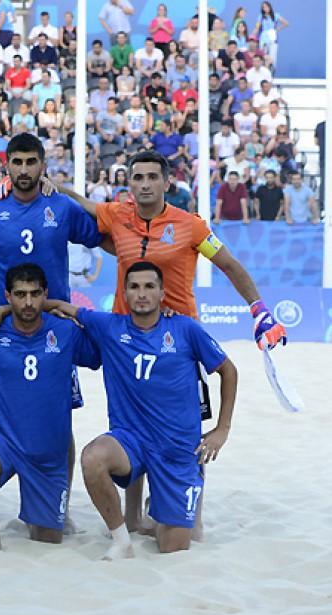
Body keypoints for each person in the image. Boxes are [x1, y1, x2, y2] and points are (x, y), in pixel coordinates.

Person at [48, 150, 286, 534]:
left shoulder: (190, 226)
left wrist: (258, 308)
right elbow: (88, 206)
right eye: (137, 178)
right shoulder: (118, 215)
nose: (144, 184)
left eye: (151, 178)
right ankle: (133, 517)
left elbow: (228, 264)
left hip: (180, 341)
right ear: (129, 184)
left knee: (187, 428)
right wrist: (55, 186)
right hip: (128, 338)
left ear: (166, 182)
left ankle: (194, 513)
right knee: (130, 422)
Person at [0, 132, 102, 527]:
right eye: (18, 163)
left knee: (59, 417)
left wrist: (64, 188)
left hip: (54, 329)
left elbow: (102, 231)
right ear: (6, 166)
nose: (25, 170)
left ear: (43, 165)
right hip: (3, 327)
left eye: (32, 163)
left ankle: (57, 502)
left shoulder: (59, 207)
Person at [47, 261, 238, 559]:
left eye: (150, 286)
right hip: (131, 441)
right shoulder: (110, 326)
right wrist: (1, 311)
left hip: (176, 449)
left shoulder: (185, 329)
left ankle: (160, 510)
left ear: (163, 293)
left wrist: (222, 429)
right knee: (93, 457)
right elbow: (59, 307)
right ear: (124, 292)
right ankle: (122, 540)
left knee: (172, 547)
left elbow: (228, 371)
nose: (142, 294)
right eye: (134, 287)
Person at [0, 264, 100, 549]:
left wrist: (68, 310)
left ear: (45, 294)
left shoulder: (65, 332)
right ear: (8, 296)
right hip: (3, 441)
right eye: (20, 295)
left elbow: (104, 344)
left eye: (35, 294)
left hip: (48, 454)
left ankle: (47, 510)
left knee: (48, 540)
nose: (29, 302)